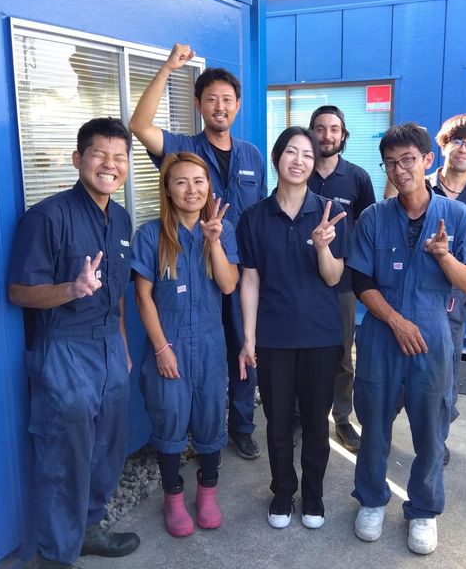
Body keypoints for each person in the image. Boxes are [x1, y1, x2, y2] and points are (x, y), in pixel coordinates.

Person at [8, 117, 140, 569]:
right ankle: (55, 554)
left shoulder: (120, 218)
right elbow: (19, 292)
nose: (110, 165)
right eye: (99, 154)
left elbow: (116, 291)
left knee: (108, 445)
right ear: (78, 159)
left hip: (109, 345)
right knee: (64, 452)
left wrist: (122, 345)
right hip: (63, 348)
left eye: (119, 157)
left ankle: (88, 529)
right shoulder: (47, 217)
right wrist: (71, 288)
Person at [348, 123, 466, 554]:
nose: (400, 169)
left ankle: (423, 510)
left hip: (432, 339)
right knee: (374, 426)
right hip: (380, 337)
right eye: (390, 163)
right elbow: (360, 280)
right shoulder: (373, 218)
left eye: (408, 159)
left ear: (427, 160)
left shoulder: (458, 217)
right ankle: (372, 500)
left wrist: (444, 256)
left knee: (430, 431)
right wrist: (395, 322)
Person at [130, 43, 266, 461]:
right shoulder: (182, 149)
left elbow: (259, 213)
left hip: (236, 266)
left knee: (243, 346)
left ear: (237, 105)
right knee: (197, 348)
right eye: (211, 99)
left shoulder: (252, 154)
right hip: (194, 266)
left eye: (227, 99)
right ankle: (189, 430)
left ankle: (240, 425)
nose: (219, 107)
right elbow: (139, 125)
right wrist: (168, 68)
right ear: (198, 105)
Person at [237, 127, 347, 530]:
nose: (298, 161)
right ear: (276, 157)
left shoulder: (330, 213)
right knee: (278, 421)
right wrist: (249, 337)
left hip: (320, 337)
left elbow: (334, 277)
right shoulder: (254, 217)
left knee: (317, 423)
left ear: (315, 163)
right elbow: (250, 279)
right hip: (274, 338)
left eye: (307, 154)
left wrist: (322, 246)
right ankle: (283, 491)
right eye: (291, 152)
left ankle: (313, 495)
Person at [132, 152, 239, 537]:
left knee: (211, 417)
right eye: (180, 181)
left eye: (198, 181)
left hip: (210, 344)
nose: (191, 189)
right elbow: (143, 297)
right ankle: (173, 497)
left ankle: (207, 493)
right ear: (167, 189)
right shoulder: (151, 235)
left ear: (209, 187)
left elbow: (228, 285)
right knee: (169, 420)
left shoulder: (222, 230)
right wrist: (161, 348)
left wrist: (214, 242)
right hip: (169, 343)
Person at [384, 114, 466, 464]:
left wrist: (445, 258)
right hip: (403, 296)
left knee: (443, 378)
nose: (463, 149)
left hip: (449, 306)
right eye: (456, 141)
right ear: (440, 149)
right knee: (393, 373)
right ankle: (380, 431)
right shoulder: (414, 179)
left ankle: (436, 440)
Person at [306, 105, 376, 453]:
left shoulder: (357, 178)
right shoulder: (299, 170)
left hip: (342, 282)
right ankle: (302, 415)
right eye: (320, 128)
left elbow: (368, 229)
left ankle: (343, 418)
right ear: (311, 132)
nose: (327, 135)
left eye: (334, 129)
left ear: (343, 135)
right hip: (302, 279)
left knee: (342, 355)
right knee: (302, 351)